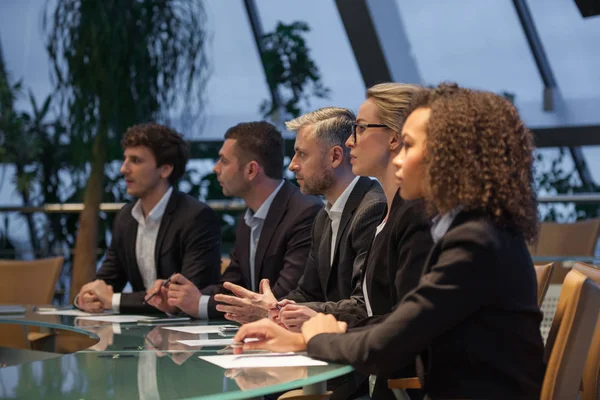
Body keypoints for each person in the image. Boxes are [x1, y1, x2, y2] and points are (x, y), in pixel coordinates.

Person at [234, 84, 546, 400]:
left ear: (452, 156)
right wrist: (319, 333)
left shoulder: (476, 242)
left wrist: (314, 338)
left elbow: (392, 342)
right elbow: (401, 322)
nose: (398, 160)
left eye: (409, 146)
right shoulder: (478, 231)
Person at [275, 83, 433, 332]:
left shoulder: (402, 213)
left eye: (359, 128)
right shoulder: (385, 212)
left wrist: (319, 336)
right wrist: (276, 310)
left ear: (394, 138)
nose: (350, 141)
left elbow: (402, 323)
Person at [212, 107, 386, 326]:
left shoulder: (373, 208)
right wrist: (274, 309)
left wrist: (272, 311)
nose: (293, 164)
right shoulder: (324, 216)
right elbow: (306, 293)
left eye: (302, 154)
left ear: (335, 156)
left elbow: (364, 306)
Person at [146, 121, 323, 319]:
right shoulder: (249, 218)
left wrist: (199, 303)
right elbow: (232, 287)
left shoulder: (304, 212)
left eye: (224, 160)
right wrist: (178, 299)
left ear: (251, 170)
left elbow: (282, 298)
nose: (215, 168)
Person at [76, 123, 221, 314]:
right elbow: (106, 282)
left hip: (187, 335)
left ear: (165, 170)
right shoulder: (126, 217)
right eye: (125, 159)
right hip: (145, 332)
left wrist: (113, 300)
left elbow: (186, 296)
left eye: (135, 161)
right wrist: (87, 297)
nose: (123, 169)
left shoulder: (196, 217)